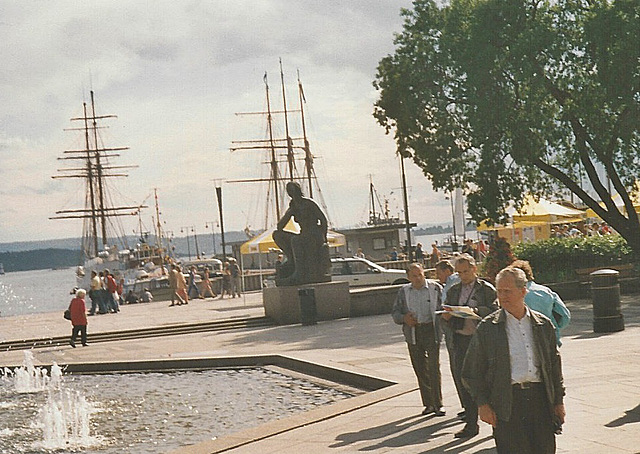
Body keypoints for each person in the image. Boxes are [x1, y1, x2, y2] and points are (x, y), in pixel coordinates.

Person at [462, 267, 566, 453]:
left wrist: (558, 401)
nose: (502, 296)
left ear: (523, 291)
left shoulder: (542, 324)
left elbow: (554, 367)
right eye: (499, 291)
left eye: (507, 291)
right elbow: (471, 372)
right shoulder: (488, 328)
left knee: (544, 449)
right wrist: (482, 404)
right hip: (507, 402)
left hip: (540, 400)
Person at [441, 254, 498, 438]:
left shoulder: (486, 289)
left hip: (481, 339)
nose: (463, 276)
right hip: (461, 339)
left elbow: (495, 311)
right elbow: (446, 311)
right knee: (464, 380)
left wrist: (476, 311)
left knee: (488, 380)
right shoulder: (454, 290)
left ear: (474, 269)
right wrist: (448, 316)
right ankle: (471, 423)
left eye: (466, 271)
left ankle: (496, 424)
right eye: (459, 273)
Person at [392, 263, 445, 417]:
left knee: (434, 367)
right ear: (408, 277)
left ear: (424, 274)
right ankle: (428, 403)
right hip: (413, 331)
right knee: (420, 368)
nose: (418, 278)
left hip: (431, 329)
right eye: (414, 276)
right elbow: (395, 312)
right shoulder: (404, 291)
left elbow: (443, 306)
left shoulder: (435, 288)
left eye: (420, 275)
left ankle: (438, 403)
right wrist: (404, 318)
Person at [272, 181, 331, 285]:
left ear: (298, 191)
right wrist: (290, 212)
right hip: (303, 234)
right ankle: (292, 260)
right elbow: (280, 227)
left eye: (293, 190)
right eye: (289, 191)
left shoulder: (308, 203)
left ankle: (300, 272)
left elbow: (323, 220)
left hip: (314, 235)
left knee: (296, 240)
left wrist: (324, 238)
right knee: (277, 235)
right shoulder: (293, 207)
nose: (291, 193)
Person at [511, 260, 571, 346]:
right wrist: (555, 328)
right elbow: (565, 315)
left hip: (524, 338)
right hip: (549, 336)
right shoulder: (546, 291)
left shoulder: (513, 294)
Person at [434, 260, 463, 413]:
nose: (437, 277)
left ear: (447, 271)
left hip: (455, 330)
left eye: (439, 273)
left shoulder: (452, 283)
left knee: (458, 368)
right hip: (456, 329)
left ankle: (467, 406)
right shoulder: (450, 284)